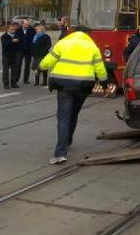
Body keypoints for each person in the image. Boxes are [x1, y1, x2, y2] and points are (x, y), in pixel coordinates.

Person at [40, 25, 108, 164]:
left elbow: (49, 60)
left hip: (63, 85)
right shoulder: (92, 46)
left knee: (63, 117)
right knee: (74, 113)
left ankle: (60, 153)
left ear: (74, 32)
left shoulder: (63, 43)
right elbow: (100, 68)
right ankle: (68, 139)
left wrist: (40, 67)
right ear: (87, 34)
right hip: (83, 86)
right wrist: (104, 83)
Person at [1, 23, 21, 89]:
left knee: (14, 70)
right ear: (8, 29)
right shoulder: (4, 36)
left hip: (14, 55)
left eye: (14, 29)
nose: (13, 30)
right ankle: (6, 84)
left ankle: (13, 83)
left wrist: (16, 42)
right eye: (12, 29)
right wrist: (12, 41)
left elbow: (18, 45)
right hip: (6, 56)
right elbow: (5, 45)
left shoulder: (16, 35)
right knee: (6, 70)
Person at [17, 19, 36, 84]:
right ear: (22, 24)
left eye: (27, 24)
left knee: (27, 65)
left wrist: (33, 47)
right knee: (18, 64)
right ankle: (16, 79)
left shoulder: (32, 30)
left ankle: (26, 80)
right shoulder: (18, 30)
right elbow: (15, 38)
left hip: (28, 50)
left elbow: (34, 38)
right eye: (25, 24)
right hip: (20, 50)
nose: (26, 25)